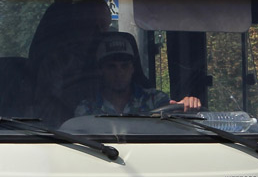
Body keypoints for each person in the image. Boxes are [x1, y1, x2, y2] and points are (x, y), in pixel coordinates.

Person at [74, 33, 202, 117]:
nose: (119, 73)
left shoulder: (156, 100)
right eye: (111, 67)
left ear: (133, 68)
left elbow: (177, 124)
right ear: (100, 70)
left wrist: (187, 105)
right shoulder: (86, 110)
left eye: (124, 66)